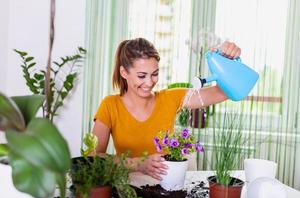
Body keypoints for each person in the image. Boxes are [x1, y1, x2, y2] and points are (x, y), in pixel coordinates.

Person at [93, 38, 241, 180]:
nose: (149, 82)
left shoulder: (170, 98)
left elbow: (223, 92)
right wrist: (138, 164)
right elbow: (95, 156)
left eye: (155, 74)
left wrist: (228, 61)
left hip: (165, 186)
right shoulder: (110, 105)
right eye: (141, 76)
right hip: (128, 186)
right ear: (124, 72)